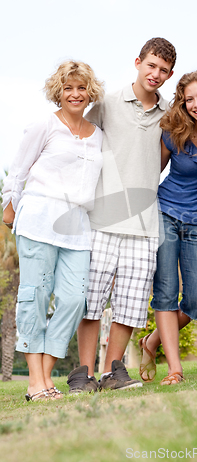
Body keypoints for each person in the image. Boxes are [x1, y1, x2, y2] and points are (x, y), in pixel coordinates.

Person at [67, 38, 177, 393]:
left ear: (169, 74)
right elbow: (78, 141)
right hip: (100, 219)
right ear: (138, 62)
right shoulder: (106, 104)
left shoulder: (171, 113)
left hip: (145, 224)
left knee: (130, 305)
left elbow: (162, 159)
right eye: (151, 65)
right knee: (91, 301)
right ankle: (82, 373)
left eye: (163, 70)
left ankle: (114, 372)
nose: (155, 74)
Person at [1, 60, 105, 401]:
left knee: (75, 299)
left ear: (91, 92)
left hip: (77, 227)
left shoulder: (98, 136)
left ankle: (45, 376)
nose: (75, 94)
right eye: (68, 88)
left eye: (81, 87)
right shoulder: (45, 124)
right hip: (38, 220)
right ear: (57, 92)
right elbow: (18, 171)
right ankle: (37, 382)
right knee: (35, 296)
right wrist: (9, 207)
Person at [138, 71, 197, 385]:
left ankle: (151, 341)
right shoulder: (173, 130)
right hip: (165, 212)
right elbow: (153, 171)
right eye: (188, 98)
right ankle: (175, 371)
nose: (195, 104)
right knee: (165, 292)